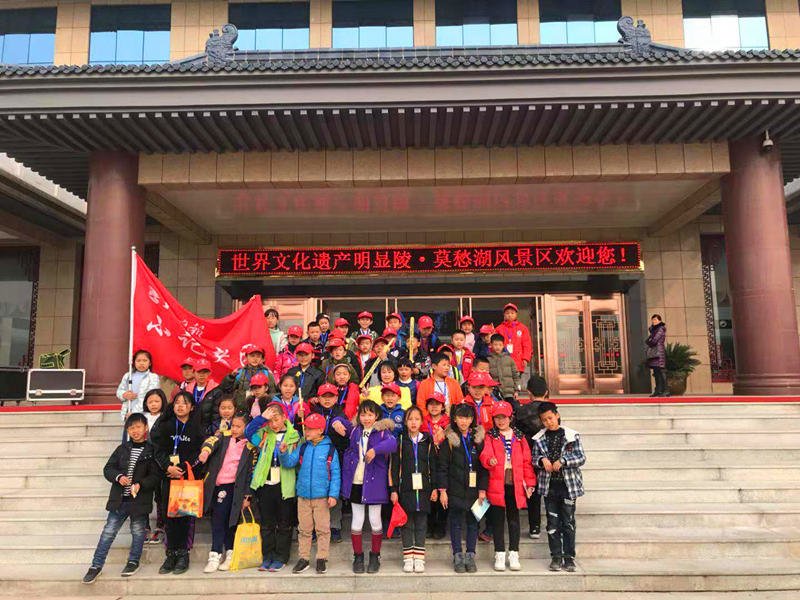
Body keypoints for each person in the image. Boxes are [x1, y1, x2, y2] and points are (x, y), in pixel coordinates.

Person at [82, 413, 161, 584]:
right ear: (127, 430)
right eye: (131, 428)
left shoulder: (151, 450)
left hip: (139, 500)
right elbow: (108, 469)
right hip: (119, 500)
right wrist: (118, 477)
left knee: (138, 532)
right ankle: (96, 565)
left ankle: (133, 561)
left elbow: (155, 476)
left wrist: (141, 484)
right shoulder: (122, 449)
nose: (135, 431)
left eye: (138, 427)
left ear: (146, 428)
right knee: (108, 532)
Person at [340, 400, 398, 574]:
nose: (366, 418)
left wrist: (375, 450)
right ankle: (358, 556)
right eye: (363, 414)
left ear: (376, 416)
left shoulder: (382, 431)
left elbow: (393, 444)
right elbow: (340, 420)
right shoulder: (355, 430)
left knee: (374, 519)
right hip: (356, 481)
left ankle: (375, 556)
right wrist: (336, 422)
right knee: (357, 520)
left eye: (370, 415)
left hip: (374, 482)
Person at [150, 392, 205, 575]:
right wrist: (168, 467)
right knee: (170, 517)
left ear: (192, 407)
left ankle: (183, 554)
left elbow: (199, 453)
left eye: (185, 403)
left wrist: (181, 468)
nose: (180, 406)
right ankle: (171, 554)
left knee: (185, 517)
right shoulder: (165, 425)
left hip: (187, 478)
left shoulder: (197, 428)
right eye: (177, 403)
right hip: (168, 477)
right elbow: (157, 450)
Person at [197, 414, 258, 573]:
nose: (235, 429)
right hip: (220, 485)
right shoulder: (224, 437)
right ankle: (215, 554)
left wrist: (248, 495)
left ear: (247, 428)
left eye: (239, 426)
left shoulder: (250, 447)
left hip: (236, 488)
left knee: (232, 521)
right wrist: (205, 452)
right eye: (233, 426)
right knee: (218, 519)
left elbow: (251, 473)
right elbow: (210, 441)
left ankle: (230, 553)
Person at [282, 412, 342, 574]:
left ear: (320, 430)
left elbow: (335, 473)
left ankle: (322, 558)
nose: (306, 431)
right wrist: (283, 453)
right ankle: (304, 558)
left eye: (310, 429)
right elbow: (289, 462)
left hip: (322, 497)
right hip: (303, 496)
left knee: (323, 529)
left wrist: (333, 495)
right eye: (306, 428)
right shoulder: (303, 447)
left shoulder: (330, 449)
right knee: (304, 529)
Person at [480, 401, 535, 572]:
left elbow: (527, 462)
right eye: (497, 418)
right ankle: (499, 553)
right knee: (497, 520)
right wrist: (489, 460)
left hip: (515, 483)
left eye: (504, 417)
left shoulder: (519, 437)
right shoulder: (491, 436)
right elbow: (485, 453)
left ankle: (514, 553)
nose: (501, 421)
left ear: (510, 418)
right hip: (497, 483)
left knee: (513, 520)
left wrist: (530, 483)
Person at [245, 402, 301, 572]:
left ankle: (281, 557)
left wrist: (283, 453)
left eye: (276, 419)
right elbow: (248, 433)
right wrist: (261, 419)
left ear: (284, 418)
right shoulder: (264, 433)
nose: (273, 424)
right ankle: (267, 556)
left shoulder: (294, 436)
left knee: (284, 524)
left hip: (284, 485)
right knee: (267, 524)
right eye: (270, 421)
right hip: (265, 484)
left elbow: (292, 462)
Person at [530, 401, 586, 572]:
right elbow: (533, 458)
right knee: (552, 522)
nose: (548, 422)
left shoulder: (571, 436)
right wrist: (542, 460)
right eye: (544, 420)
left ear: (557, 415)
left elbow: (581, 457)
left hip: (568, 487)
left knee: (568, 522)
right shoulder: (539, 438)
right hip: (550, 487)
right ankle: (556, 556)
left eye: (550, 418)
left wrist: (564, 461)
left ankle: (569, 557)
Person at [438, 402, 487, 574]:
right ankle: (458, 555)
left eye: (467, 418)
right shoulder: (449, 441)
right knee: (456, 523)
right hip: (455, 489)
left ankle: (471, 555)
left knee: (473, 523)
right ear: (454, 419)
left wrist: (483, 489)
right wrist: (442, 491)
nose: (464, 421)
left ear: (472, 419)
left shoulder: (478, 440)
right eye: (460, 417)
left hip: (475, 490)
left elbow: (484, 467)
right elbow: (442, 468)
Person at [390, 406, 438, 573]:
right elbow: (394, 467)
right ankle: (408, 557)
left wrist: (435, 488)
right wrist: (393, 489)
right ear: (405, 422)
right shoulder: (400, 441)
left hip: (424, 489)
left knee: (421, 524)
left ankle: (419, 558)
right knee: (407, 524)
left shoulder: (427, 441)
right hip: (406, 489)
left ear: (422, 421)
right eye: (410, 419)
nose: (413, 422)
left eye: (417, 419)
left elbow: (433, 466)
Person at [311, 383, 353, 542]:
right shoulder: (313, 414)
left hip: (336, 457)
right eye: (324, 397)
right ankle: (316, 526)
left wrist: (343, 429)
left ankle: (335, 526)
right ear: (318, 398)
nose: (327, 400)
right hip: (317, 458)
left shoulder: (341, 414)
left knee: (335, 491)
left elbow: (348, 436)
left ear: (336, 398)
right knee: (317, 492)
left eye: (331, 397)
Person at [516, 375, 548, 539]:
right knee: (547, 489)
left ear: (528, 392)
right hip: (547, 454)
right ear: (546, 392)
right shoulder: (551, 410)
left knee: (532, 488)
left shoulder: (522, 411)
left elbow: (517, 433)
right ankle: (550, 523)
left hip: (527, 453)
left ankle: (534, 526)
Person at [221, 344, 277, 414]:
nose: (255, 359)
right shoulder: (239, 373)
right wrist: (231, 377)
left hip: (261, 412)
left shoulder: (267, 373)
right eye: (252, 356)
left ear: (262, 359)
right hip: (242, 411)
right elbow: (226, 390)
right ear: (246, 357)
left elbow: (273, 393)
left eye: (258, 356)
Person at [423, 393, 449, 540]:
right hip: (428, 461)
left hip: (444, 462)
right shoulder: (422, 421)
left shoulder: (448, 422)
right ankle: (430, 524)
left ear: (443, 407)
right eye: (431, 404)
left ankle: (441, 525)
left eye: (437, 404)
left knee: (443, 493)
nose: (434, 407)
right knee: (430, 493)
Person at [116, 349, 160, 422]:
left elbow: (150, 396)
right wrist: (124, 395)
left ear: (150, 363)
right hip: (128, 412)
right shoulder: (128, 376)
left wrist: (135, 413)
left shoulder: (153, 377)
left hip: (144, 413)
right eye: (138, 361)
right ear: (134, 362)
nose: (141, 363)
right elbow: (119, 391)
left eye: (145, 360)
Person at [494, 303, 532, 385]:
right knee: (504, 383)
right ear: (504, 315)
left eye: (512, 313)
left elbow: (527, 344)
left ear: (516, 314)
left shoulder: (523, 328)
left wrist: (525, 358)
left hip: (518, 362)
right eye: (507, 313)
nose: (510, 315)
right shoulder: (499, 329)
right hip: (502, 361)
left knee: (516, 383)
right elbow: (494, 345)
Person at [487, 333, 521, 406]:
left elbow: (515, 375)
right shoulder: (488, 360)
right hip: (495, 393)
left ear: (503, 346)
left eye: (500, 345)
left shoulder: (509, 359)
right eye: (495, 344)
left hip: (509, 393)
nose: (498, 347)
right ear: (491, 345)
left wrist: (516, 390)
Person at [189, 358, 222, 427]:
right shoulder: (187, 389)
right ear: (193, 373)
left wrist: (211, 430)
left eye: (204, 372)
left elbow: (216, 414)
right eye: (199, 372)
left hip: (207, 428)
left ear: (209, 373)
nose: (202, 375)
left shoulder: (216, 390)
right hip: (190, 426)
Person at [646, 314, 669, 397]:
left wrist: (650, 341)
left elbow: (653, 341)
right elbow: (648, 340)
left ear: (660, 321)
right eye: (652, 320)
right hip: (654, 354)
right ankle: (658, 391)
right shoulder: (654, 330)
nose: (654, 321)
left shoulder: (660, 329)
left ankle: (665, 391)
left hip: (659, 353)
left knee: (661, 371)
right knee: (656, 373)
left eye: (655, 320)